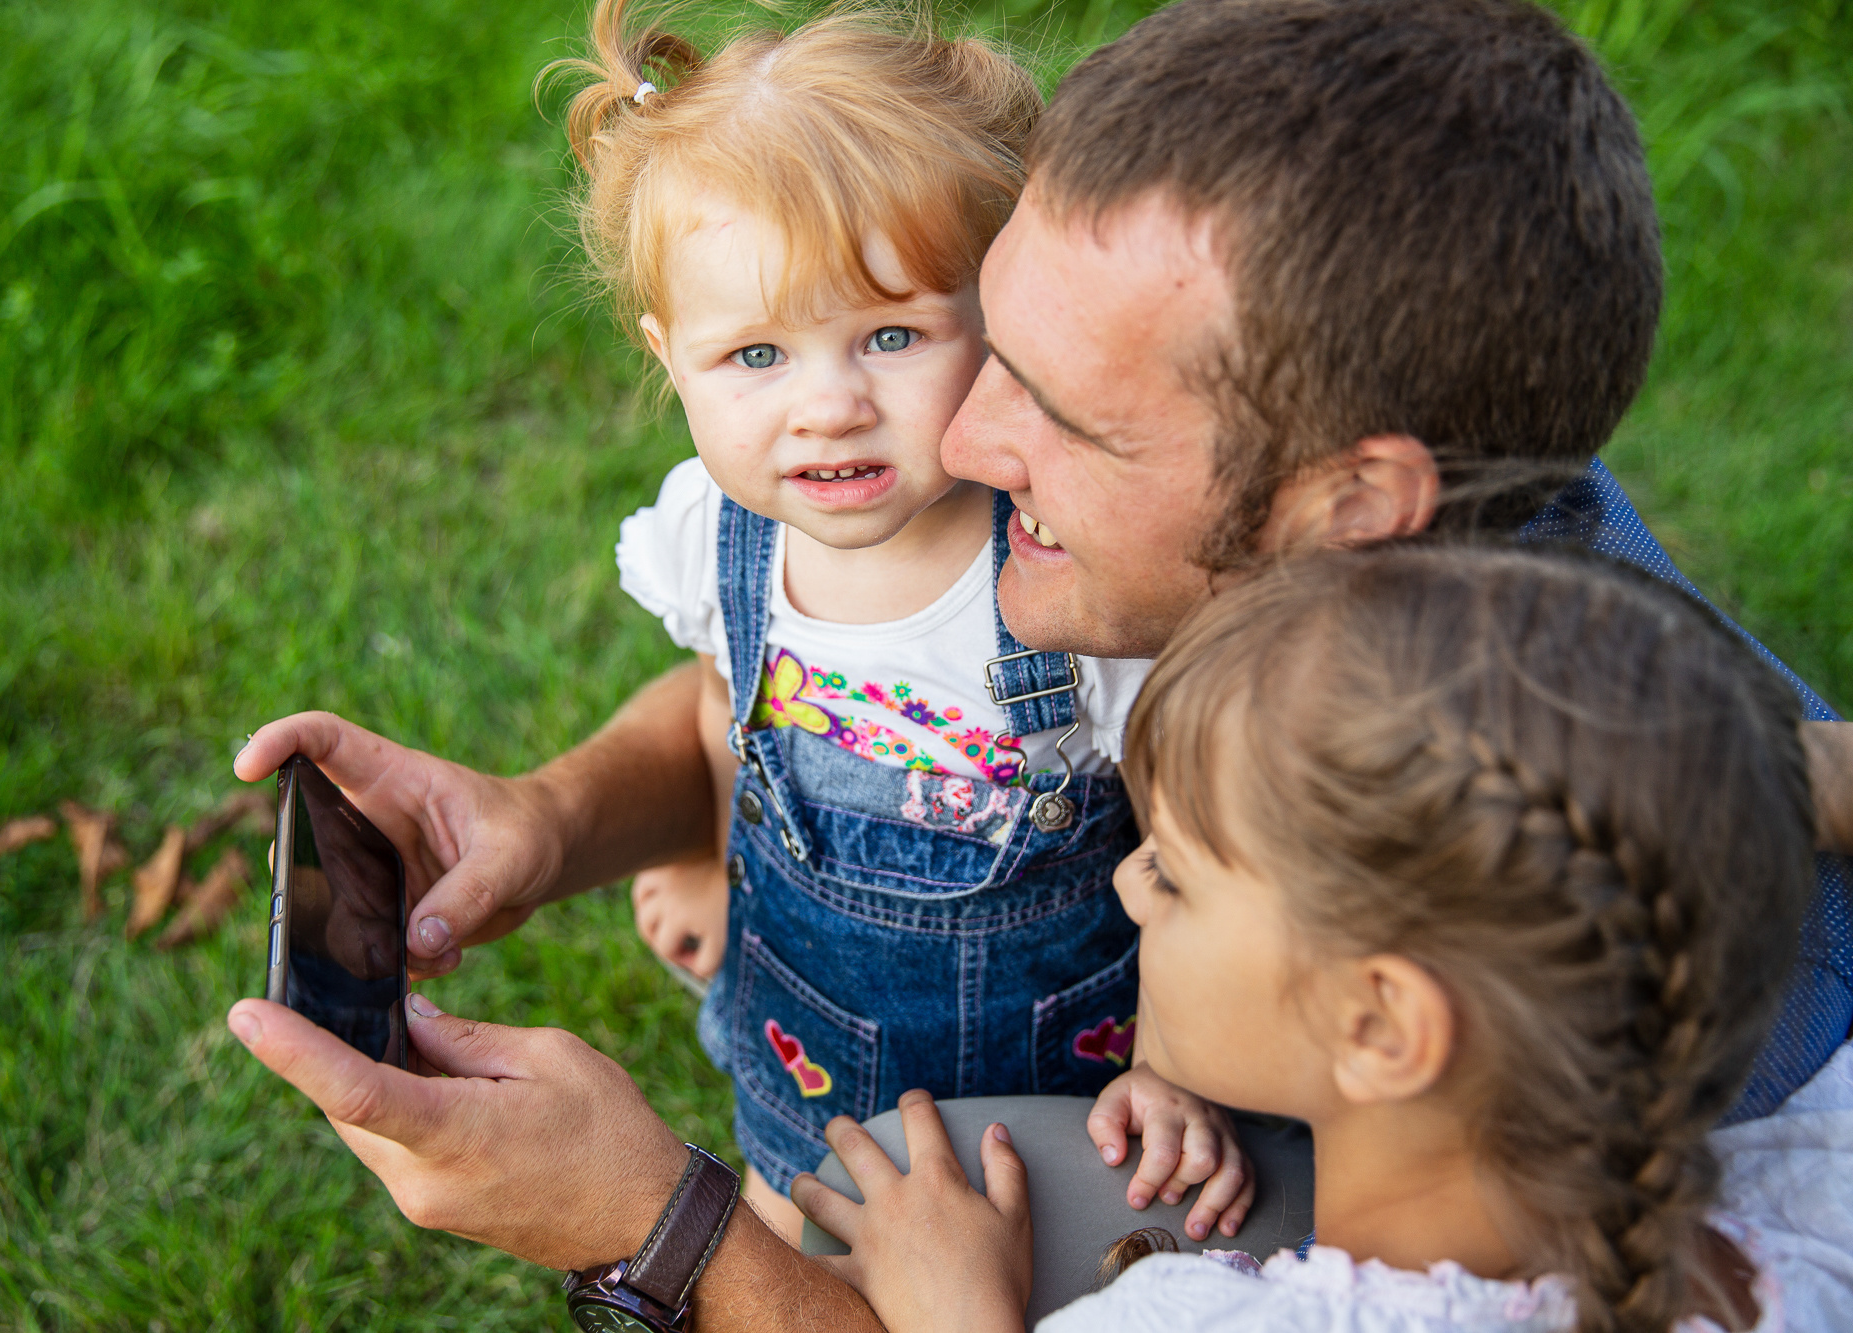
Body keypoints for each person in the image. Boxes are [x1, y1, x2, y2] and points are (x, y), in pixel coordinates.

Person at [229, 0, 1853, 1323]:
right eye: (986, 331)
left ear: (1353, 509)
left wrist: (648, 1225)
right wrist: (552, 816)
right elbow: (786, 694)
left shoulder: (1573, 998)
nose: (965, 439)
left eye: (1053, 405)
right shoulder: (1379, 625)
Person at [555, 0, 1246, 1242]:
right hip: (801, 1064)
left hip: (1052, 1108)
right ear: (669, 358)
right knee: (774, 1252)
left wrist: (1184, 1061)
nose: (826, 407)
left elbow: (1191, 848)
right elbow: (732, 704)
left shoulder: (1067, 576)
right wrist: (699, 857)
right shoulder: (713, 533)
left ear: (996, 323)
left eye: (888, 336)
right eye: (754, 357)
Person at [795, 545, 1853, 1333]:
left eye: (1174, 871)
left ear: (1380, 1022)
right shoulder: (1806, 1198)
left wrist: (953, 1309)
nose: (1127, 883)